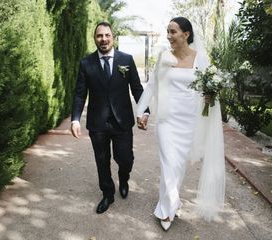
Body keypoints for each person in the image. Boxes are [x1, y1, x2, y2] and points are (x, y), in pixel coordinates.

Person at [136, 17, 225, 231]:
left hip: (190, 122)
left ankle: (169, 202)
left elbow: (209, 88)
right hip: (167, 121)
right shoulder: (164, 57)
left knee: (178, 167)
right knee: (169, 164)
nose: (168, 36)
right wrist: (141, 110)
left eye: (172, 32)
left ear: (185, 35)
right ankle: (166, 211)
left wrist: (210, 96)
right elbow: (151, 86)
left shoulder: (200, 59)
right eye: (167, 31)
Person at [71, 21, 149, 214]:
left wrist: (145, 111)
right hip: (98, 123)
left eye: (107, 35)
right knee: (101, 160)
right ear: (95, 39)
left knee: (125, 159)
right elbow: (80, 94)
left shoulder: (126, 59)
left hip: (122, 121)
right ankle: (108, 194)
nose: (103, 39)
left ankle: (124, 177)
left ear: (113, 37)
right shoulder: (86, 63)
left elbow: (137, 89)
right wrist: (75, 119)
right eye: (99, 36)